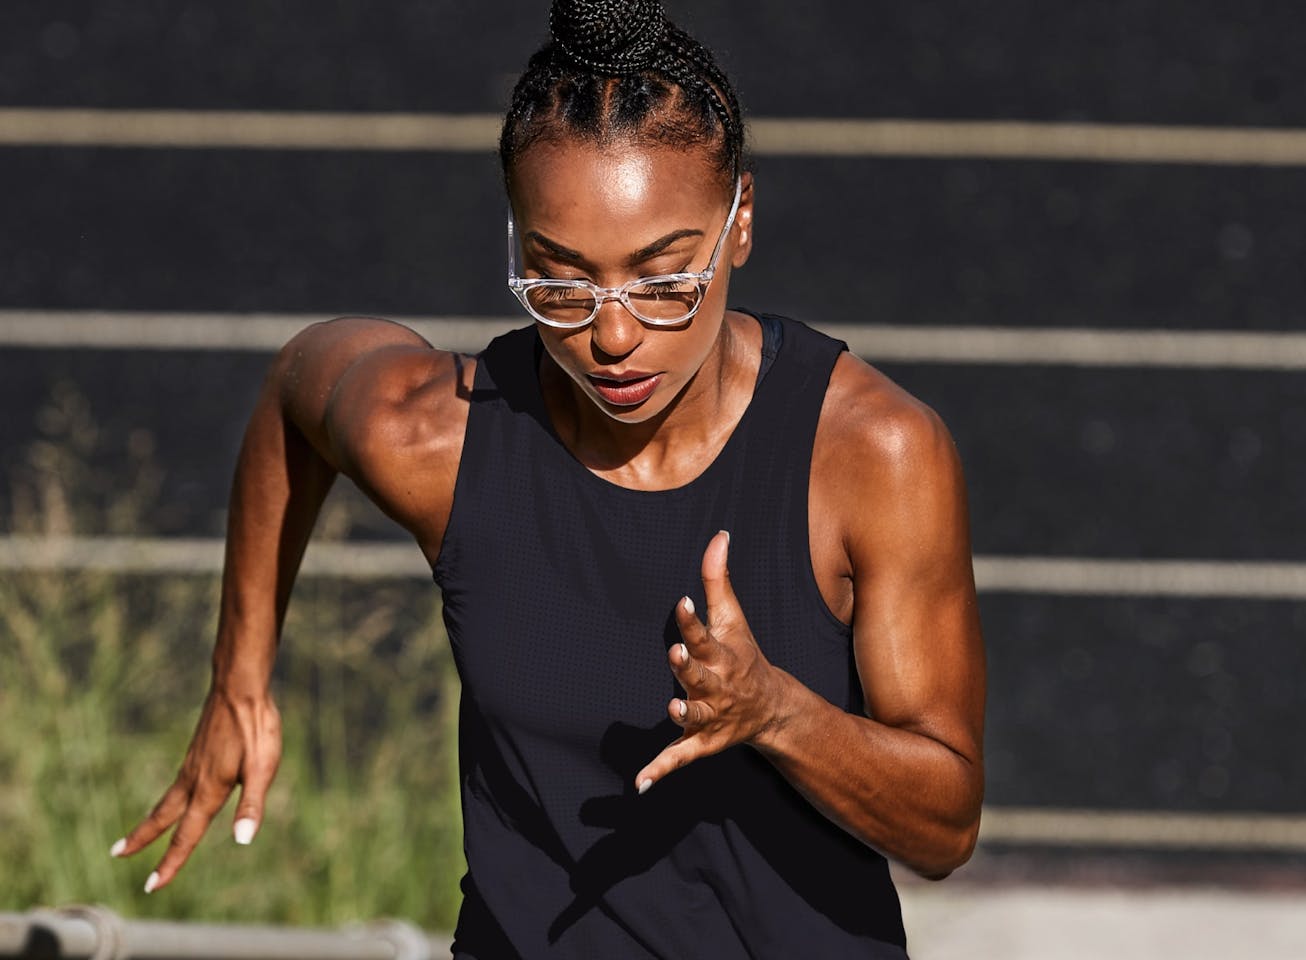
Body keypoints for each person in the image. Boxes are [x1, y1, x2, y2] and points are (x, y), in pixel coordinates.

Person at [110, 0, 986, 955]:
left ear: (740, 223)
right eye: (560, 282)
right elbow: (296, 388)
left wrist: (779, 714)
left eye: (663, 280)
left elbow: (944, 828)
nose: (611, 336)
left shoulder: (870, 454)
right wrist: (239, 679)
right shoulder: (442, 441)